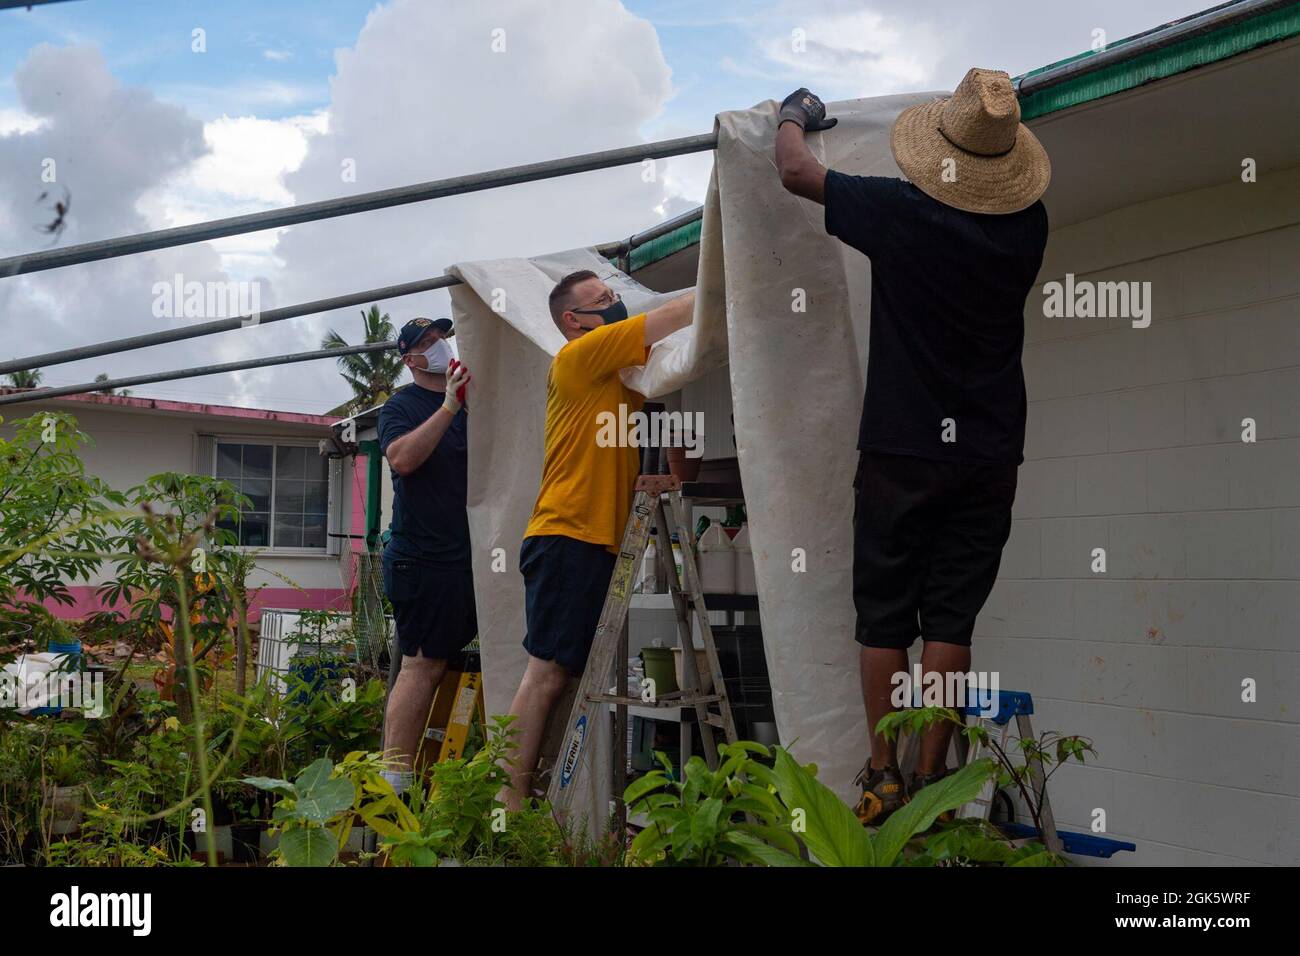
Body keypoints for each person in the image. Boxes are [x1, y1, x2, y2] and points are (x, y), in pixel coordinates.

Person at [774, 71, 1052, 824]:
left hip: (904, 448)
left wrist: (792, 113)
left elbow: (795, 170)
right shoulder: (1029, 225)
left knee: (885, 618)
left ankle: (882, 773)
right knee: (951, 625)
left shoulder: (901, 212)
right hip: (991, 452)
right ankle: (934, 779)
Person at [499, 272, 695, 810]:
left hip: (590, 540)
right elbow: (675, 314)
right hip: (568, 534)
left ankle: (536, 797)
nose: (614, 305)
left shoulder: (618, 375)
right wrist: (732, 279)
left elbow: (663, 391)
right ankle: (508, 800)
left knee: (566, 674)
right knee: (545, 673)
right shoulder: (580, 355)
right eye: (602, 300)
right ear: (573, 321)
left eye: (613, 297)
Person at [377, 316, 475, 793]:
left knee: (451, 663)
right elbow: (402, 459)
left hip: (466, 559)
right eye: (428, 342)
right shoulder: (402, 405)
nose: (440, 346)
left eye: (443, 337)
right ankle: (394, 780)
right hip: (421, 559)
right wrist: (448, 408)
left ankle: (453, 777)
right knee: (422, 664)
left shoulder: (471, 401)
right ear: (410, 359)